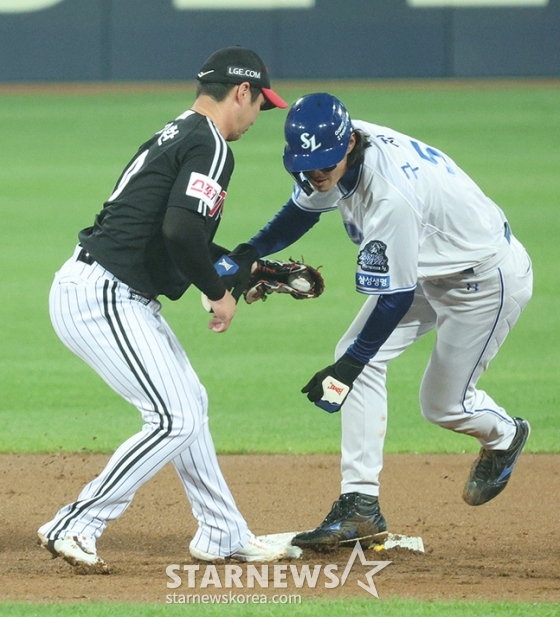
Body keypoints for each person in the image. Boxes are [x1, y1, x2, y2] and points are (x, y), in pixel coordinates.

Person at [243, 93, 533, 550]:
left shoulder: (390, 195)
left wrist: (347, 371)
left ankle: (506, 435)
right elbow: (301, 210)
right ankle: (360, 506)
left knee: (443, 406)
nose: (315, 173)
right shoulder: (330, 148)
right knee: (353, 357)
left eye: (323, 164)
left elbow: (393, 300)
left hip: (483, 281)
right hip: (427, 268)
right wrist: (249, 252)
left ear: (350, 143)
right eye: (306, 164)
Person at [37, 46, 290, 572]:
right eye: (259, 104)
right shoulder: (213, 145)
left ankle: (222, 532)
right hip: (103, 295)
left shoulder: (177, 132)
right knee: (172, 415)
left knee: (188, 404)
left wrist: (229, 270)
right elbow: (180, 232)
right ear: (241, 91)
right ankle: (76, 523)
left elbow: (170, 230)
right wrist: (218, 291)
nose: (256, 116)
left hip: (103, 289)